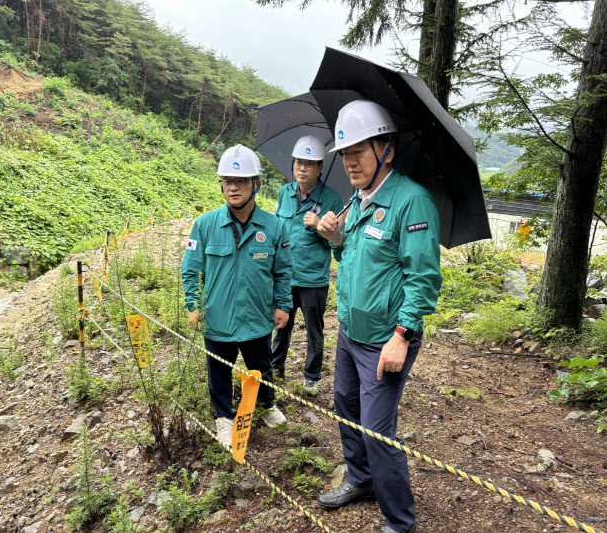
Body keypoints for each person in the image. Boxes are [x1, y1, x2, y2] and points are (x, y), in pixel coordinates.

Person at [315, 100, 442, 533]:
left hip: (386, 339)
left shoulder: (412, 202)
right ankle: (361, 479)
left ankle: (399, 520)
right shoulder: (358, 200)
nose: (350, 162)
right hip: (351, 332)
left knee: (377, 430)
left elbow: (423, 278)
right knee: (346, 408)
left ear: (385, 148)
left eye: (359, 151)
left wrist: (403, 335)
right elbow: (354, 257)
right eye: (345, 154)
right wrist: (335, 239)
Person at [181, 144, 291, 448]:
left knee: (261, 364)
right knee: (218, 370)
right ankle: (224, 417)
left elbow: (283, 271)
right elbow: (190, 270)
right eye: (227, 181)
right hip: (217, 316)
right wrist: (193, 304)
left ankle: (266, 405)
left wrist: (283, 304)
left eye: (240, 181)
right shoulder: (204, 225)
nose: (233, 187)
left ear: (255, 184)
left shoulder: (274, 226)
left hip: (257, 315)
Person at [271, 135, 343, 395]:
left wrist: (319, 227)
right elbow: (279, 229)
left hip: (313, 279)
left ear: (320, 168)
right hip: (286, 277)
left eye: (309, 164)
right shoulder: (284, 192)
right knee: (281, 325)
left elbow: (337, 243)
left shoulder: (333, 200)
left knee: (315, 331)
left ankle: (311, 376)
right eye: (299, 162)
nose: (302, 168)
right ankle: (275, 368)